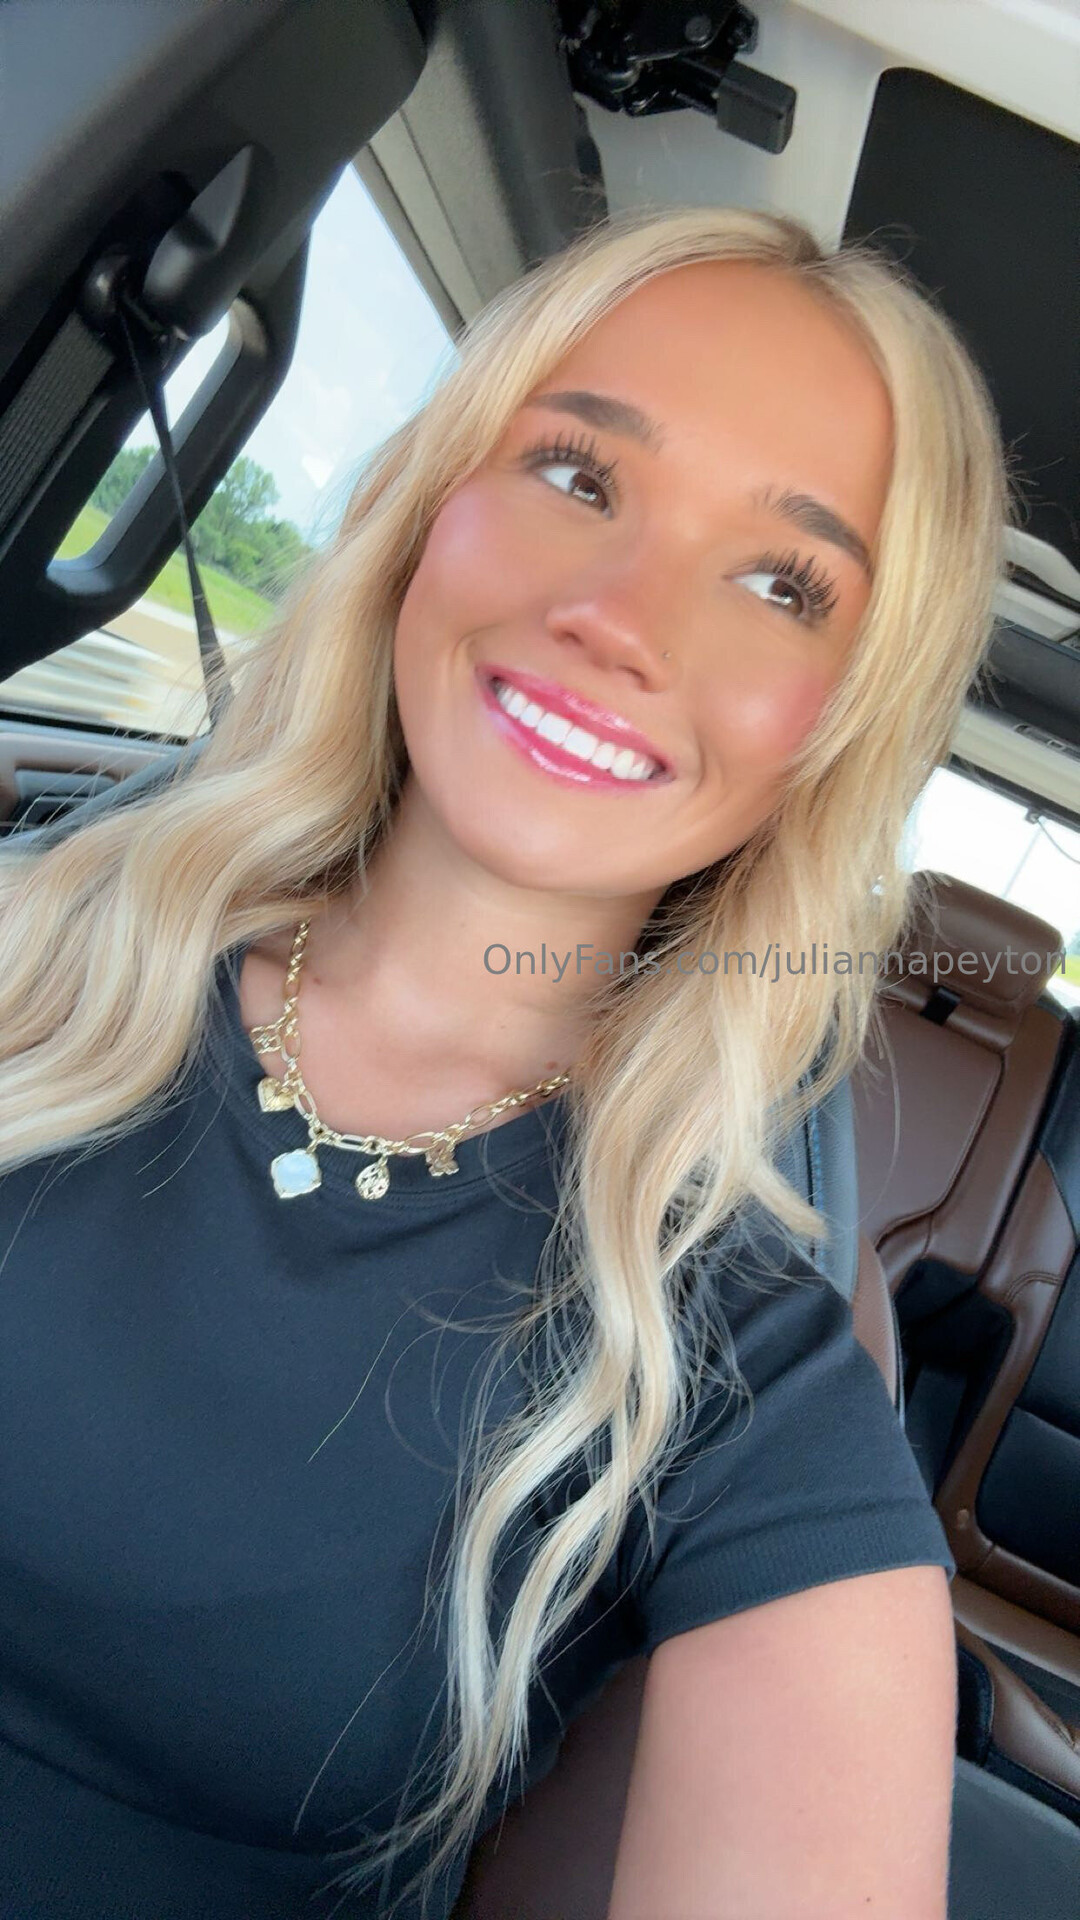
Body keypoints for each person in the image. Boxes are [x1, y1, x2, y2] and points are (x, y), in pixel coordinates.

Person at [0, 204, 1008, 1920]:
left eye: (784, 583)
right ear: (433, 504)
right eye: (575, 473)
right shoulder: (46, 936)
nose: (622, 617)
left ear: (839, 722)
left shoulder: (746, 1376)